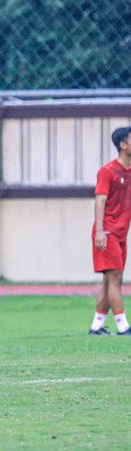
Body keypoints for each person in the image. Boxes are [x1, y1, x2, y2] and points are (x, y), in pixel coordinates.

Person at [89, 127, 131, 336]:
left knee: (109, 281)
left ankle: (96, 326)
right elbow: (100, 200)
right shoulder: (108, 171)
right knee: (115, 279)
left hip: (122, 234)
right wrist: (99, 231)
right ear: (123, 145)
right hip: (107, 233)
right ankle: (123, 327)